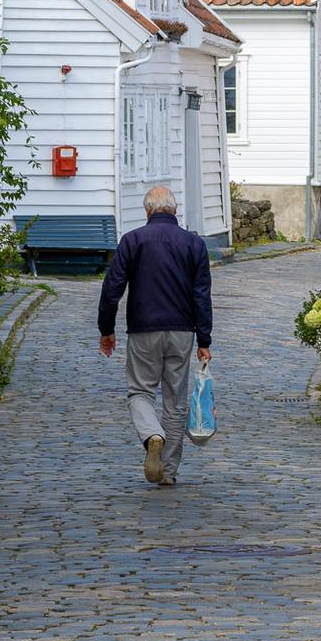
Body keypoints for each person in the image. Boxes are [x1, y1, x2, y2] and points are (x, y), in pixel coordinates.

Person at [98, 181, 216, 485]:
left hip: (143, 330)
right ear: (175, 210)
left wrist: (106, 330)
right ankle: (168, 472)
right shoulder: (194, 245)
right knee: (175, 402)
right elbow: (201, 295)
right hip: (182, 332)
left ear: (146, 211)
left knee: (140, 391)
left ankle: (152, 434)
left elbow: (112, 289)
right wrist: (204, 340)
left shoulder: (132, 241)